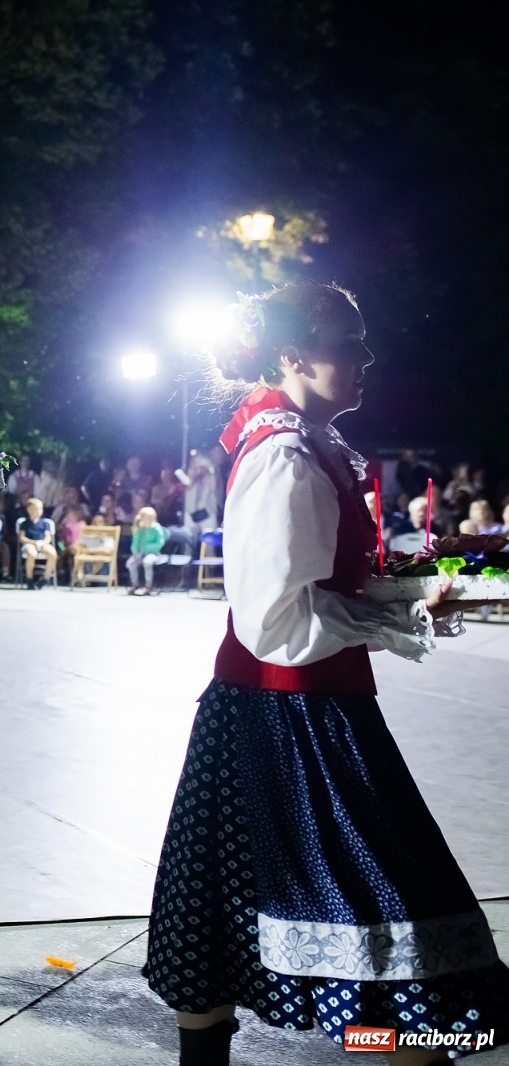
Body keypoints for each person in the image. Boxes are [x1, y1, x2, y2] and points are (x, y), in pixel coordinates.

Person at [142, 283, 509, 1066]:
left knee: (225, 921)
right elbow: (275, 622)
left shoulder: (306, 442)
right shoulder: (284, 453)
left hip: (294, 711)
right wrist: (400, 615)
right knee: (399, 937)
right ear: (290, 356)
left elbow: (318, 589)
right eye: (349, 340)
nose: (367, 356)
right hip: (289, 719)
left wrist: (411, 594)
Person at [15, 497, 56, 588]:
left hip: (42, 543)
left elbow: (48, 537)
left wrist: (42, 543)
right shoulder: (25, 523)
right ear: (29, 509)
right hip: (29, 544)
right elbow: (21, 537)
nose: (38, 511)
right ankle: (29, 579)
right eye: (36, 508)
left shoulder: (45, 523)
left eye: (40, 508)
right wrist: (33, 542)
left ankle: (46, 578)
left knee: (52, 553)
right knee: (31, 553)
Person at [126, 505, 167, 596]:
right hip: (140, 553)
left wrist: (147, 548)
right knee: (131, 563)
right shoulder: (139, 529)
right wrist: (135, 552)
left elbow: (160, 543)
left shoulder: (156, 528)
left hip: (154, 553)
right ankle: (134, 584)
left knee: (147, 562)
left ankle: (148, 586)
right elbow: (135, 542)